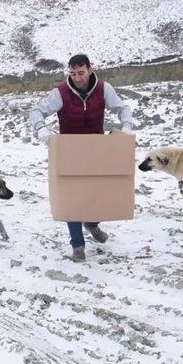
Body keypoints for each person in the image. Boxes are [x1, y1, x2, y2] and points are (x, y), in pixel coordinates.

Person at [29, 54, 138, 262]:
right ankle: (77, 244)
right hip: (69, 149)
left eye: (81, 73)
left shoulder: (104, 89)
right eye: (73, 73)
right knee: (73, 197)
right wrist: (41, 128)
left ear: (90, 70)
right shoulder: (60, 92)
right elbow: (36, 111)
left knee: (98, 192)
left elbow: (122, 108)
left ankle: (92, 222)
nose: (77, 78)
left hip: (97, 148)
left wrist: (126, 125)